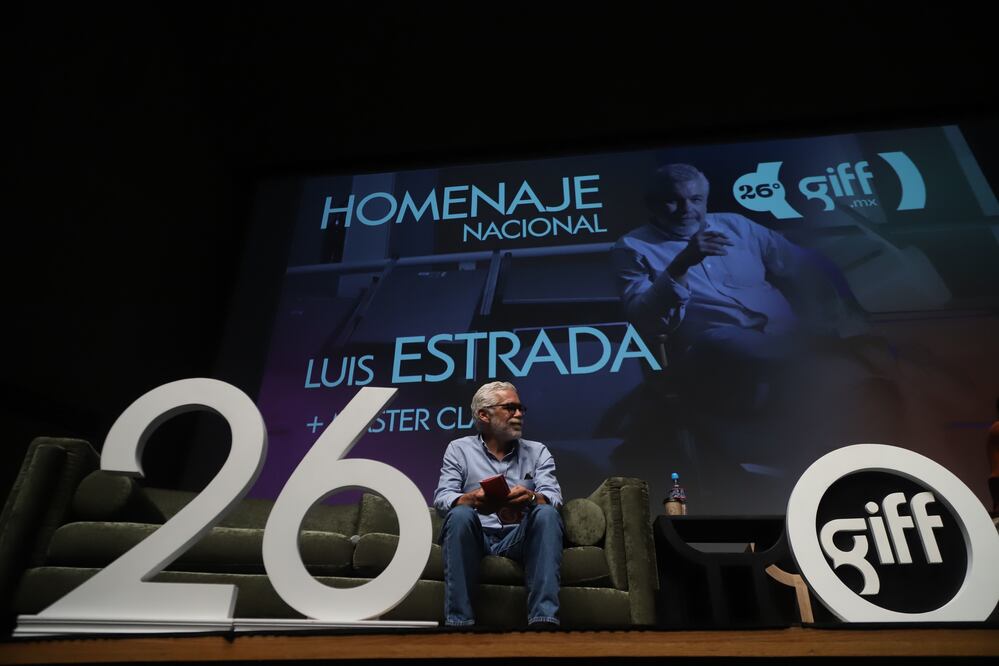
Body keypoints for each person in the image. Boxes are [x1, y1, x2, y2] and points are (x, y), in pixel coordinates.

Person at [611, 163, 810, 368]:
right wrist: (681, 265)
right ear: (651, 204)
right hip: (713, 350)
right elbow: (645, 322)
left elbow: (803, 263)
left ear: (705, 201)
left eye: (695, 199)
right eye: (672, 201)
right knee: (728, 342)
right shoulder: (632, 247)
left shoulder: (736, 225)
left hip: (786, 331)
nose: (686, 210)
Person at [433, 381, 564, 629]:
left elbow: (553, 497)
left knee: (546, 513)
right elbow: (442, 498)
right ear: (484, 414)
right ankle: (459, 624)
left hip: (519, 538)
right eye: (510, 408)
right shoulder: (459, 449)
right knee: (460, 515)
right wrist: (472, 499)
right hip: (477, 536)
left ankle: (543, 622)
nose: (519, 414)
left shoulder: (538, 452)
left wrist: (532, 498)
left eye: (521, 408)